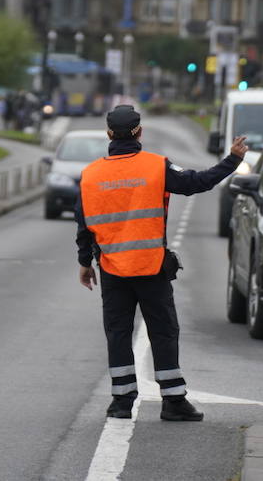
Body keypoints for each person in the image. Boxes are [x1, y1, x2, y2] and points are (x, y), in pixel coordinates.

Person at [76, 104, 247, 422]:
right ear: (140, 132)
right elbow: (197, 182)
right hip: (151, 267)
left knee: (118, 332)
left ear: (109, 134)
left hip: (112, 269)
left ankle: (121, 402)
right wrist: (233, 160)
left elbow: (84, 224)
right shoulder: (156, 167)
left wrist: (85, 262)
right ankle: (173, 401)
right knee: (163, 331)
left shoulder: (91, 176)